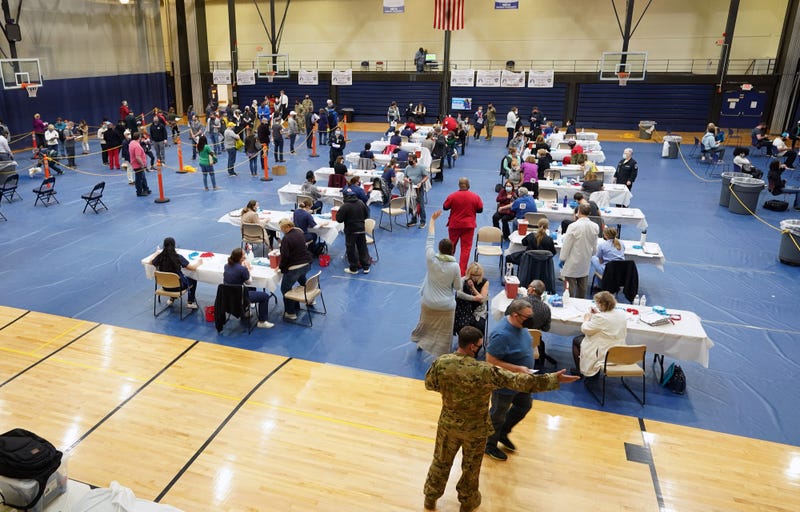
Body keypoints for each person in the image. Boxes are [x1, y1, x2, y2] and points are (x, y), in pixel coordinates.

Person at [422, 325, 577, 512]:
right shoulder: (485, 371)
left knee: (440, 462)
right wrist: (554, 379)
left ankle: (430, 498)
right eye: (480, 345)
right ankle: (467, 502)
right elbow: (520, 382)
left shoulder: (442, 362)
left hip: (448, 426)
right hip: (476, 430)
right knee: (470, 468)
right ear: (472, 347)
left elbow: (430, 384)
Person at [484, 299, 569, 462]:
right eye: (527, 316)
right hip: (505, 383)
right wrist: (516, 368)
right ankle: (489, 445)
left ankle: (503, 432)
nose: (531, 319)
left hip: (522, 381)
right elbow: (491, 360)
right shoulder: (501, 334)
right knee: (498, 414)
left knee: (524, 405)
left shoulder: (522, 326)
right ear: (515, 315)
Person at [411, 210, 461, 357]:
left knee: (425, 323)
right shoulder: (455, 266)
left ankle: (420, 342)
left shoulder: (430, 258)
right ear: (452, 251)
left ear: (439, 249)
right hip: (446, 306)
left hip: (428, 302)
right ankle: (444, 353)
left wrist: (432, 220)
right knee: (445, 331)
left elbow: (430, 238)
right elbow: (458, 287)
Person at [571, 291, 628, 377]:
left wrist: (586, 319)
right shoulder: (621, 314)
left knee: (576, 340)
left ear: (602, 305)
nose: (597, 305)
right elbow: (608, 321)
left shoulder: (601, 318)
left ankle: (579, 371)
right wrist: (599, 313)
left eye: (597, 303)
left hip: (604, 350)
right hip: (618, 348)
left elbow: (585, 329)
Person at [222, 248, 275, 329]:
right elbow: (249, 282)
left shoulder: (226, 266)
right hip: (240, 297)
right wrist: (248, 269)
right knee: (265, 296)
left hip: (229, 296)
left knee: (250, 289)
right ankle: (262, 321)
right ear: (241, 258)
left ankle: (246, 312)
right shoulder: (242, 269)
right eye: (244, 256)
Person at [443, 177, 484, 275]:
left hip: (454, 225)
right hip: (468, 226)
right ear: (468, 185)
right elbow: (480, 209)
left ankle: (449, 268)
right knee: (465, 249)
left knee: (451, 246)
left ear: (459, 185)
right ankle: (461, 272)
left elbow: (445, 207)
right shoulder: (475, 196)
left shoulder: (452, 196)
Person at [150, 237, 201, 311]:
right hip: (178, 287)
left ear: (164, 246)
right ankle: (190, 302)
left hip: (165, 286)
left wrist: (156, 253)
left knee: (170, 278)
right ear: (174, 245)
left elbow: (151, 262)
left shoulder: (160, 257)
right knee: (193, 280)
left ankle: (172, 298)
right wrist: (199, 263)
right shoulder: (177, 257)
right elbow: (192, 268)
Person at [560, 203, 599, 299]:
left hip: (572, 260)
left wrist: (562, 258)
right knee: (582, 288)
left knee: (569, 288)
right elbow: (594, 246)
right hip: (585, 260)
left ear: (578, 212)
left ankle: (569, 305)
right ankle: (581, 306)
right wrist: (591, 253)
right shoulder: (595, 226)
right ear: (589, 213)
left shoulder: (573, 226)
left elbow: (567, 245)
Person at [278, 218, 313, 321]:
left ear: (287, 227)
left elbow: (285, 257)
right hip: (306, 264)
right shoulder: (299, 233)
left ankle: (290, 312)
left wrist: (281, 268)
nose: (282, 230)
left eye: (282, 228)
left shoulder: (286, 239)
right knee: (302, 278)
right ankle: (310, 299)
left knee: (285, 288)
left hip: (295, 266)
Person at [336, 188, 371, 274]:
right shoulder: (361, 203)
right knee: (363, 247)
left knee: (351, 249)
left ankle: (353, 268)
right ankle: (366, 267)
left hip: (351, 231)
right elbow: (367, 215)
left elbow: (339, 219)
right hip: (361, 229)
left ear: (344, 196)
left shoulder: (345, 206)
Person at [453, 262, 489, 335]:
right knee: (462, 326)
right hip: (464, 309)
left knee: (479, 326)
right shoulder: (463, 280)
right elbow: (458, 294)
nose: (475, 278)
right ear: (469, 273)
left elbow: (483, 300)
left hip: (478, 310)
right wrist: (473, 298)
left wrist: (473, 288)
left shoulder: (485, 282)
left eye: (478, 275)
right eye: (473, 275)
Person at [404, 153, 429, 227]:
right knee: (411, 204)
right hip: (411, 188)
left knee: (420, 205)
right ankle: (413, 219)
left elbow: (426, 176)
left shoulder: (421, 167)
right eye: (408, 160)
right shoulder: (408, 167)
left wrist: (421, 183)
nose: (409, 161)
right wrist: (407, 180)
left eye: (410, 160)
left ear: (415, 160)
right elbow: (405, 176)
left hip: (418, 188)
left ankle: (423, 221)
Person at [128, 132, 151, 197]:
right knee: (139, 179)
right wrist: (142, 164)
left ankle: (145, 189)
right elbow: (137, 157)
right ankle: (139, 192)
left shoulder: (132, 143)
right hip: (138, 165)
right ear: (139, 138)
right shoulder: (137, 146)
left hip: (135, 164)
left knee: (142, 177)